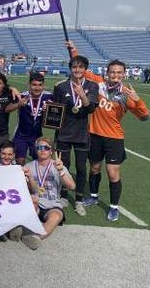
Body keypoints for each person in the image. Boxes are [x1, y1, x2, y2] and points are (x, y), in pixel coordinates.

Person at [67, 42, 150, 221]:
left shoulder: (127, 94)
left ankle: (113, 207)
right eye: (112, 72)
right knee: (95, 168)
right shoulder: (98, 84)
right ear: (107, 73)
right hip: (94, 134)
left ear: (124, 74)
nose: (115, 75)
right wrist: (73, 49)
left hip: (114, 138)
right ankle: (94, 197)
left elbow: (144, 117)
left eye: (119, 72)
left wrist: (138, 100)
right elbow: (79, 67)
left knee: (113, 173)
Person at [53, 54, 98, 216]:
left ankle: (78, 200)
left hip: (82, 134)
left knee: (80, 168)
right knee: (63, 167)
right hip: (63, 133)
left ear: (85, 69)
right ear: (70, 68)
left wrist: (82, 95)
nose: (77, 70)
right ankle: (63, 196)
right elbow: (55, 109)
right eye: (74, 67)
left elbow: (91, 108)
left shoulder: (92, 86)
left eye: (80, 67)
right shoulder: (61, 86)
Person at [22, 137, 75, 250]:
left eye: (46, 148)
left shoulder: (58, 166)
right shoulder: (29, 166)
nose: (42, 150)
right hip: (35, 202)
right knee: (32, 201)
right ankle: (20, 229)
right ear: (36, 150)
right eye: (39, 147)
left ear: (51, 151)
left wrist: (61, 171)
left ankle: (36, 237)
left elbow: (72, 186)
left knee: (56, 216)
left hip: (52, 205)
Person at [12, 72, 53, 165]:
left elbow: (57, 110)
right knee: (20, 161)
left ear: (44, 86)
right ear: (29, 84)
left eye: (40, 85)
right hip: (21, 135)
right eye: (34, 85)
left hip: (37, 136)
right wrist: (19, 104)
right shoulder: (22, 96)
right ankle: (22, 179)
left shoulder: (49, 97)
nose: (37, 87)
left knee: (39, 160)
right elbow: (7, 108)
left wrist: (49, 109)